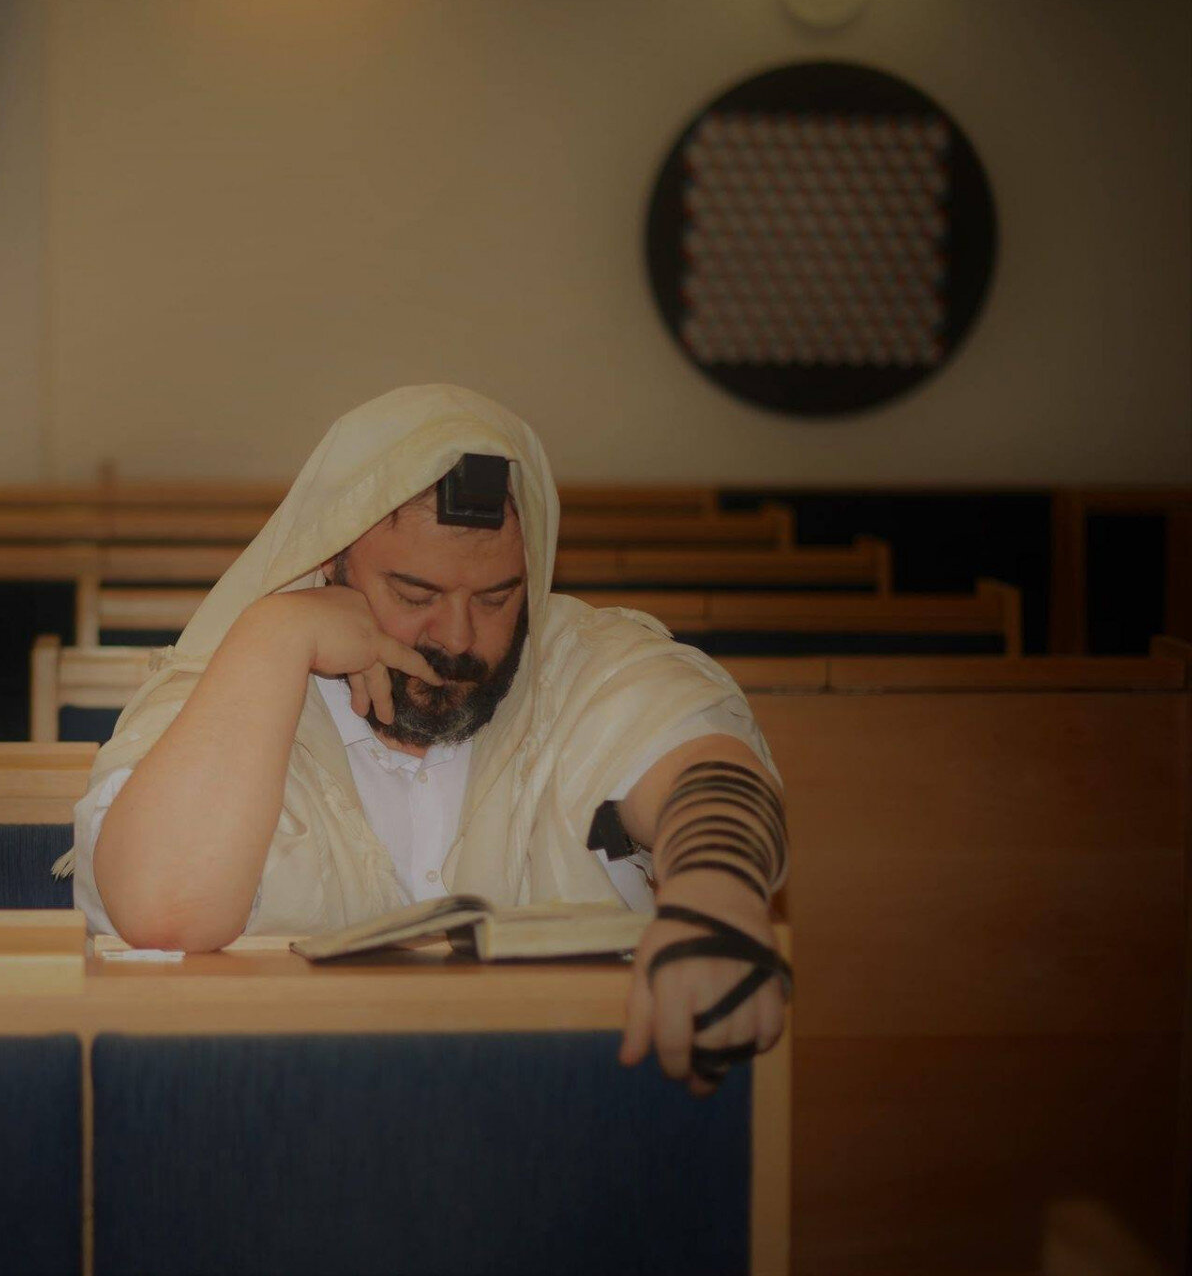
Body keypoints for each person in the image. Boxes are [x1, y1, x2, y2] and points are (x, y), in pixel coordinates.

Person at [54, 385, 789, 1092]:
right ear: (332, 560)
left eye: (496, 597)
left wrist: (716, 892)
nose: (458, 636)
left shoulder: (581, 665)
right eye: (415, 594)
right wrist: (275, 636)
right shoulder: (229, 684)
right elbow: (163, 912)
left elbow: (706, 772)